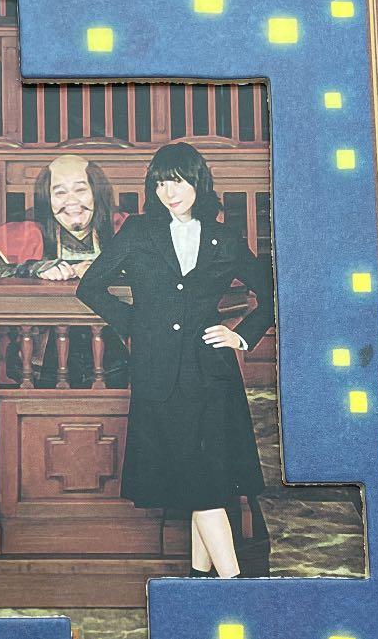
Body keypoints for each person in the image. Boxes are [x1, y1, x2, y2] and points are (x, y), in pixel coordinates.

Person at [76, 142, 275, 577]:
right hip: (159, 375)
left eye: (178, 182)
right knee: (202, 485)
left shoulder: (225, 238)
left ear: (198, 183)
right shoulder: (138, 231)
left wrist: (240, 336)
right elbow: (90, 287)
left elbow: (272, 292)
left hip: (211, 375)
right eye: (161, 183)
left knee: (206, 483)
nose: (170, 192)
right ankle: (234, 585)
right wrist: (137, 324)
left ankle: (206, 581)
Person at [0, 154, 128, 388]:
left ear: (96, 192)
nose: (71, 202)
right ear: (47, 198)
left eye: (80, 190)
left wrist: (104, 269)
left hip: (113, 348)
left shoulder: (121, 226)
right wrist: (37, 268)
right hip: (45, 352)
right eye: (60, 192)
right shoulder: (29, 230)